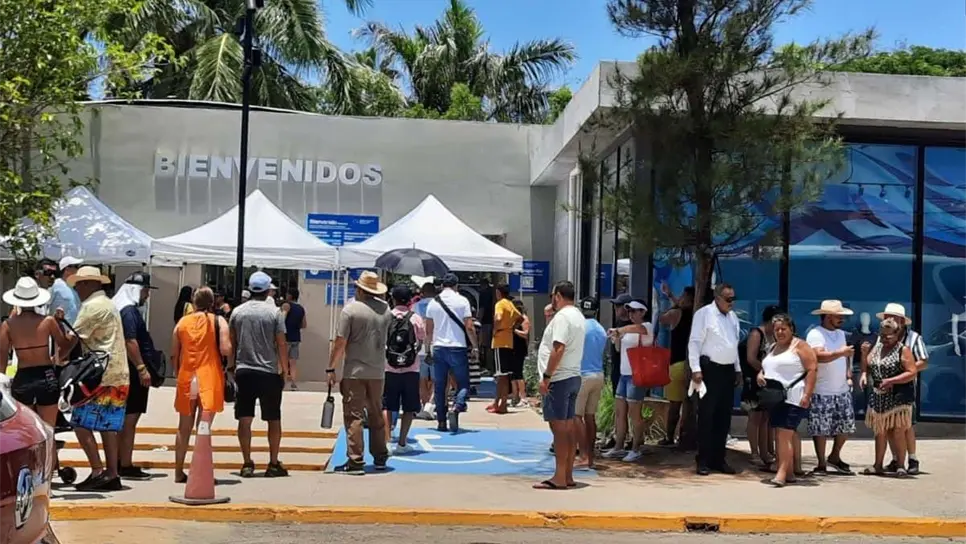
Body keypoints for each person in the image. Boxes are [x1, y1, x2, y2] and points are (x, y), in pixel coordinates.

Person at [59, 266, 130, 491]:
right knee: (108, 426)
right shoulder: (109, 303)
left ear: (90, 284)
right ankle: (112, 473)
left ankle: (98, 470)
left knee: (79, 422)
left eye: (79, 285)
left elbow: (71, 339)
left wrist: (57, 353)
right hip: (119, 374)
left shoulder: (91, 307)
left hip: (98, 376)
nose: (77, 289)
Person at [327, 271, 393, 475]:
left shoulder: (351, 310)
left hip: (354, 371)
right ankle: (380, 456)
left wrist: (331, 367)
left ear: (360, 289)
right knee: (376, 414)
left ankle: (356, 460)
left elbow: (340, 342)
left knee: (354, 416)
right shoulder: (386, 310)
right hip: (377, 371)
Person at [228, 271, 289, 478]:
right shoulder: (275, 313)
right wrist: (284, 369)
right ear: (267, 291)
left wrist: (231, 366)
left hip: (244, 370)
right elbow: (281, 343)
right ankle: (273, 462)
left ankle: (247, 462)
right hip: (269, 371)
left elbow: (232, 342)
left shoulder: (237, 312)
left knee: (244, 418)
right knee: (273, 418)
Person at [171, 287, 231, 483]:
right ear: (212, 302)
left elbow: (174, 353)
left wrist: (177, 372)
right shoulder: (218, 321)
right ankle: (200, 472)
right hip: (209, 377)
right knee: (203, 427)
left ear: (193, 302)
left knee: (184, 427)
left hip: (187, 377)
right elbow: (226, 349)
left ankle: (178, 471)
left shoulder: (182, 322)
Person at [533, 281, 584, 490]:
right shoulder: (578, 315)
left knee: (559, 430)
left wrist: (546, 376)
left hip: (559, 379)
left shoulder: (563, 317)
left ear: (558, 296)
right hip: (572, 376)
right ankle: (567, 475)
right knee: (568, 428)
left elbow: (558, 348)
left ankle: (560, 477)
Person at [687, 283, 741, 476]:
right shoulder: (704, 314)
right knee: (706, 416)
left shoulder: (733, 317)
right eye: (728, 299)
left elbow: (734, 345)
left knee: (723, 417)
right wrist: (695, 368)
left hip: (727, 370)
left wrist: (737, 369)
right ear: (717, 298)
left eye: (733, 299)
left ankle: (719, 459)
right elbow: (694, 342)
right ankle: (703, 460)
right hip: (709, 370)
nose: (731, 303)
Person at [758, 313, 817, 487]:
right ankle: (789, 472)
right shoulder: (773, 347)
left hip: (793, 397)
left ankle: (781, 473)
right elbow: (766, 366)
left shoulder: (801, 346)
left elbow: (812, 369)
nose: (780, 332)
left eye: (783, 329)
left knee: (784, 435)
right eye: (777, 329)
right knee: (780, 435)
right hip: (774, 397)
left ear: (791, 329)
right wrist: (760, 374)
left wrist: (807, 394)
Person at [0, 277, 64, 429]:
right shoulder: (48, 321)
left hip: (23, 377)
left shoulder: (8, 325)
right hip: (46, 375)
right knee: (49, 430)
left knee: (25, 431)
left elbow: (2, 358)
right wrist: (60, 323)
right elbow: (64, 344)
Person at [112, 272, 157, 480]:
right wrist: (141, 368)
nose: (147, 295)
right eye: (145, 290)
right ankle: (125, 464)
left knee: (127, 418)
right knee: (130, 418)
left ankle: (120, 461)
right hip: (132, 373)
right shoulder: (129, 311)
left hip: (125, 370)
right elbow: (130, 341)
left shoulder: (124, 309)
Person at [873, 303, 927, 475]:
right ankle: (896, 459)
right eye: (887, 317)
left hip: (904, 388)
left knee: (905, 426)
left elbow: (923, 361)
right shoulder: (881, 337)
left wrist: (901, 372)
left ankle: (912, 458)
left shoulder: (913, 338)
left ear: (902, 321)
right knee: (889, 426)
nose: (889, 319)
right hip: (885, 390)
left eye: (893, 317)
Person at [860, 317, 918, 477]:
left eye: (888, 336)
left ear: (897, 334)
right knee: (880, 431)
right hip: (879, 396)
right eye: (882, 335)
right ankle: (877, 465)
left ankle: (900, 465)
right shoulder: (878, 347)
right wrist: (864, 359)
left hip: (898, 397)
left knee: (898, 431)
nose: (884, 338)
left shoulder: (903, 350)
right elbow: (868, 365)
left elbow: (912, 372)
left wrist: (892, 380)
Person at [806, 300, 856, 475]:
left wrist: (848, 374)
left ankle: (835, 456)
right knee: (820, 428)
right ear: (827, 316)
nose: (842, 319)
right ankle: (821, 463)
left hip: (842, 389)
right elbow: (818, 356)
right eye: (838, 316)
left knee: (845, 426)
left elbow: (846, 356)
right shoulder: (816, 334)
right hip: (822, 389)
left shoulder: (841, 334)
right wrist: (840, 353)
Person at [424, 273, 478, 432]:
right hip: (458, 347)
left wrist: (427, 349)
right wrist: (475, 346)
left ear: (442, 285)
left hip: (439, 347)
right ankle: (457, 406)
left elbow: (428, 331)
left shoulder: (433, 303)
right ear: (456, 285)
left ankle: (441, 421)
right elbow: (469, 326)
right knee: (463, 383)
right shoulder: (463, 301)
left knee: (440, 386)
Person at [602, 300, 654, 463]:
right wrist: (617, 337)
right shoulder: (627, 329)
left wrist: (619, 330)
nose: (631, 314)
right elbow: (618, 349)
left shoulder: (647, 326)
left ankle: (636, 448)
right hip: (624, 374)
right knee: (620, 412)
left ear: (643, 312)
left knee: (634, 414)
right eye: (629, 311)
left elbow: (639, 329)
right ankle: (618, 446)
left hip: (636, 375)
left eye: (634, 311)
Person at [383, 284, 424, 454]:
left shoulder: (385, 317)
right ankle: (402, 443)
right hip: (411, 369)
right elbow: (421, 341)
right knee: (409, 407)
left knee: (387, 406)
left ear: (393, 299)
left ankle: (386, 442)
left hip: (389, 368)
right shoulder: (416, 318)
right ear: (409, 301)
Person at [741, 305, 780, 465]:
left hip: (768, 381)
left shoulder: (774, 335)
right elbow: (751, 358)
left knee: (765, 417)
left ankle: (765, 452)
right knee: (755, 416)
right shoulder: (757, 334)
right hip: (754, 380)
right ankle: (754, 452)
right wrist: (765, 370)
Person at [657, 285, 695, 447]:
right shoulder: (699, 315)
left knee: (674, 404)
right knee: (690, 403)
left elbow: (662, 319)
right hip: (695, 364)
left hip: (678, 363)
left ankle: (669, 437)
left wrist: (673, 301)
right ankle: (686, 436)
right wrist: (672, 296)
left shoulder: (676, 313)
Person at [575, 296, 606, 469]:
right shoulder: (601, 329)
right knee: (590, 416)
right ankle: (591, 456)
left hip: (582, 374)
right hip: (598, 374)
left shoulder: (580, 327)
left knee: (576, 416)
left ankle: (583, 456)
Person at [488, 283, 521, 415]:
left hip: (500, 341)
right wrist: (511, 328)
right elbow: (520, 317)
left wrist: (495, 330)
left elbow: (498, 317)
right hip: (508, 341)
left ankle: (502, 405)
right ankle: (500, 402)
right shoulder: (510, 304)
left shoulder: (500, 304)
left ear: (498, 293)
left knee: (501, 375)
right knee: (505, 375)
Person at [415, 282, 437, 419]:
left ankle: (423, 406)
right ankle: (431, 404)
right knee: (436, 379)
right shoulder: (438, 305)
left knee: (421, 379)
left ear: (422, 293)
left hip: (420, 347)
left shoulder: (416, 306)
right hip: (436, 345)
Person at [281, 289, 307, 391]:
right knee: (293, 363)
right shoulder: (301, 308)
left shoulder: (286, 306)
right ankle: (293, 384)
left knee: (283, 361)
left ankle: (282, 383)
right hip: (296, 338)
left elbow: (281, 320)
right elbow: (304, 325)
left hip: (286, 338)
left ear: (289, 296)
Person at [608, 293, 633, 396]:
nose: (615, 308)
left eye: (618, 305)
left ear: (626, 308)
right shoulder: (618, 322)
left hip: (629, 370)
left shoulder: (633, 325)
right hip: (616, 367)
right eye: (615, 305)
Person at [49, 256, 83, 325]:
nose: (78, 269)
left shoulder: (73, 288)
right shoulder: (55, 285)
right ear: (67, 269)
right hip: (59, 329)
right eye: (76, 266)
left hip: (73, 329)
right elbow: (46, 308)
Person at [511, 299, 531, 407]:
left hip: (520, 348)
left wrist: (514, 330)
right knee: (513, 374)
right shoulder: (514, 319)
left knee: (518, 373)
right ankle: (515, 397)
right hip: (512, 348)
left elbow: (525, 334)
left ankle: (523, 397)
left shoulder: (524, 319)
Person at [477, 278, 495, 375]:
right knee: (489, 345)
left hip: (485, 322)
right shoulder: (492, 292)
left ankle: (488, 367)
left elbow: (482, 309)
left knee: (485, 345)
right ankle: (490, 366)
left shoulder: (484, 294)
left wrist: (478, 321)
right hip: (491, 321)